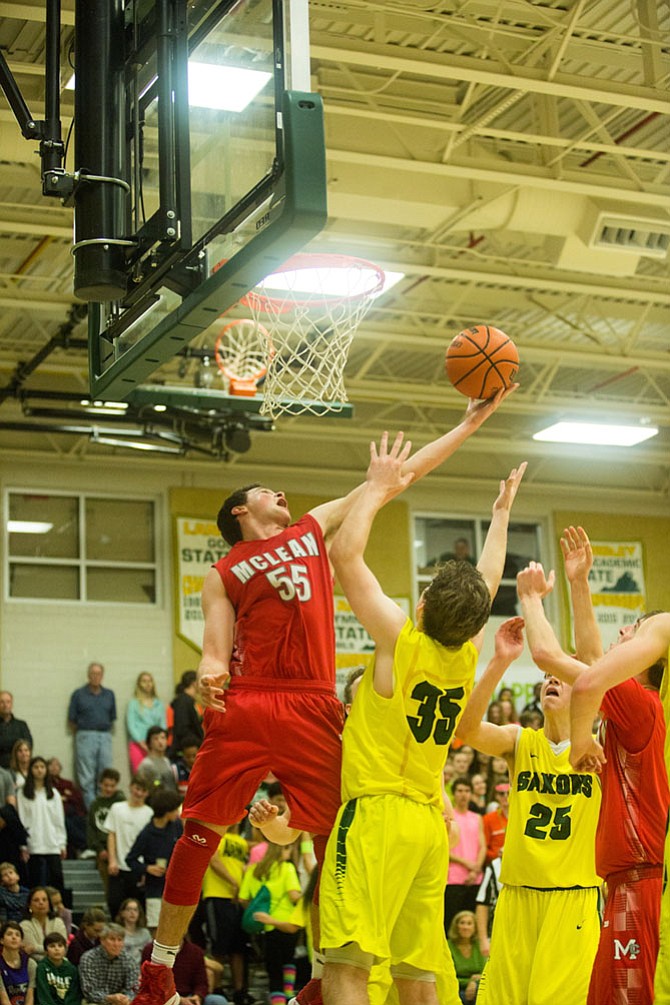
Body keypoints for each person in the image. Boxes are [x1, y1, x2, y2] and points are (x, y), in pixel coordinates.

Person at [134, 391, 516, 1005]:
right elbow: (214, 645)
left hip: (313, 699)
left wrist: (465, 425)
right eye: (264, 492)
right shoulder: (225, 570)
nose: (278, 493)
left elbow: (398, 476)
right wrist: (209, 671)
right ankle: (160, 966)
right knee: (200, 827)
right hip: (253, 697)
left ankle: (321, 980)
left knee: (331, 832)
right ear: (238, 510)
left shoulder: (313, 529)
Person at [315, 434, 524, 1005]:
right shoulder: (466, 656)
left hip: (377, 815)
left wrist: (378, 488)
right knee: (417, 974)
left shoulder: (399, 640)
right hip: (431, 825)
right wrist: (500, 519)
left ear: (425, 605)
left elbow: (345, 556)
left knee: (347, 964)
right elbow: (483, 585)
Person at [517, 529, 669, 1005]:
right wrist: (579, 585)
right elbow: (591, 660)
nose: (623, 633)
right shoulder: (631, 702)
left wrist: (529, 600)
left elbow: (548, 656)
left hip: (639, 880)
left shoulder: (641, 705)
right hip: (624, 881)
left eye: (633, 631)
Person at [455, 617, 602, 1005]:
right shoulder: (520, 741)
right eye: (547, 676)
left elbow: (597, 665)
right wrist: (500, 660)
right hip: (517, 897)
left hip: (572, 898)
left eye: (562, 676)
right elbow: (466, 730)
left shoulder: (599, 748)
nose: (551, 680)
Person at [238, 843, 301, 1005]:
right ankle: (288, 997)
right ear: (282, 849)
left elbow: (243, 898)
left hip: (264, 923)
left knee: (273, 969)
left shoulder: (253, 870)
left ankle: (277, 1001)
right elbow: (294, 895)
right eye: (289, 848)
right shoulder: (287, 868)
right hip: (287, 922)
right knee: (288, 961)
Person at [201, 824, 249, 1005]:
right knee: (218, 946)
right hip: (217, 896)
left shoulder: (242, 842)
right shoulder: (216, 836)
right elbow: (213, 861)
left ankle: (239, 991)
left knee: (239, 948)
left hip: (238, 900)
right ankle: (216, 989)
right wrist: (234, 882)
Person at [126, 791, 183, 933]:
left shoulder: (176, 826)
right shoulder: (147, 833)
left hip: (175, 886)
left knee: (177, 928)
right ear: (166, 811)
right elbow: (130, 859)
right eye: (175, 809)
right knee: (155, 928)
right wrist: (147, 868)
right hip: (155, 888)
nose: (177, 813)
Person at [67, 663, 116, 809]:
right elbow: (72, 719)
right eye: (93, 673)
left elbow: (112, 717)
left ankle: (105, 809)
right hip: (85, 735)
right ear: (88, 675)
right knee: (87, 777)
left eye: (99, 673)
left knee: (106, 774)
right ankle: (92, 811)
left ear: (102, 676)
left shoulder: (109, 694)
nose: (96, 676)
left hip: (105, 736)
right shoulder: (79, 694)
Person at [104, 776, 153, 919]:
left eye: (143, 791)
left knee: (138, 907)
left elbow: (149, 844)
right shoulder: (117, 808)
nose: (139, 793)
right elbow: (111, 834)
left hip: (137, 868)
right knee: (114, 904)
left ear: (147, 793)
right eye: (137, 789)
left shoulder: (149, 813)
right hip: (118, 867)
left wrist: (145, 869)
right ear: (131, 787)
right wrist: (112, 860)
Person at [16, 758, 66, 890]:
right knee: (35, 882)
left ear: (46, 770)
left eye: (42, 767)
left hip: (52, 842)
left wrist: (62, 843)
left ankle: (58, 910)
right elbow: (21, 819)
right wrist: (23, 845)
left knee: (56, 879)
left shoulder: (53, 793)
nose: (39, 770)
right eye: (36, 767)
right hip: (33, 843)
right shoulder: (23, 793)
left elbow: (59, 820)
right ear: (31, 770)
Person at [444, 778, 486, 932]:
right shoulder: (449, 817)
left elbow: (482, 846)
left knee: (473, 926)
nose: (464, 795)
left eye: (467, 791)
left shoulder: (477, 818)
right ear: (453, 794)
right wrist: (466, 863)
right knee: (450, 923)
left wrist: (475, 869)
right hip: (453, 878)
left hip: (475, 878)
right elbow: (444, 847)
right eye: (460, 791)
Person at [140, 940, 229, 1005]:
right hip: (161, 998)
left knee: (218, 1000)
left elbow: (202, 983)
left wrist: (198, 996)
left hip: (189, 995)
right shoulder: (150, 950)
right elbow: (150, 984)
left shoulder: (195, 951)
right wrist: (179, 1000)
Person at [78, 923, 140, 1005]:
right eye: (112, 939)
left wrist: (126, 998)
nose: (116, 944)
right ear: (102, 940)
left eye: (120, 940)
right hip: (95, 1002)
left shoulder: (129, 960)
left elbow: (133, 988)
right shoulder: (88, 958)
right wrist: (109, 998)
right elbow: (89, 991)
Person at [46, 758, 87, 860]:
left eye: (57, 765)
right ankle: (84, 845)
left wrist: (66, 797)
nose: (54, 767)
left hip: (73, 813)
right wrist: (64, 796)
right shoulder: (47, 784)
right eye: (51, 765)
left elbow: (77, 797)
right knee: (65, 823)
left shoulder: (67, 783)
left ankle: (83, 847)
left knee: (81, 820)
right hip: (58, 815)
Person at [127, 675, 167, 776]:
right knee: (141, 776)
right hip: (138, 744)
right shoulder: (133, 703)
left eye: (150, 681)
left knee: (158, 774)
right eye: (144, 681)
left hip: (155, 744)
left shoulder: (159, 703)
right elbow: (131, 725)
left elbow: (163, 724)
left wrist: (160, 740)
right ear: (139, 684)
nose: (147, 683)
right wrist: (141, 742)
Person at [446, 911, 485, 1004]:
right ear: (456, 926)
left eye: (469, 923)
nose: (465, 927)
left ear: (475, 928)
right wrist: (470, 982)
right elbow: (448, 977)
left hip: (477, 987)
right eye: (462, 923)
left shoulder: (479, 945)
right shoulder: (448, 946)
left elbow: (484, 972)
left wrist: (475, 983)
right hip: (455, 989)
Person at [20, 888, 67, 963]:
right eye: (36, 900)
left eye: (44, 900)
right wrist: (52, 957)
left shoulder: (58, 922)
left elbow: (63, 947)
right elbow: (31, 953)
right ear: (29, 906)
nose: (41, 903)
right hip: (36, 964)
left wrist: (35, 948)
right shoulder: (25, 925)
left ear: (49, 904)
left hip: (59, 963)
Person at [35, 931, 81, 1005]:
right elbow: (43, 994)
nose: (57, 949)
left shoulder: (72, 969)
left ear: (65, 949)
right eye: (52, 946)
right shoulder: (41, 967)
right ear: (46, 950)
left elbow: (74, 995)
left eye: (60, 946)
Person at [0, 919, 36, 1005]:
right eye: (9, 934)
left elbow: (30, 996)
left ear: (21, 941)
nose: (14, 937)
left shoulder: (30, 964)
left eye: (17, 935)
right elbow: (4, 999)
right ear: (1, 940)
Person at [170, 674, 203, 756]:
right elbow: (182, 728)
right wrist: (198, 742)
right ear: (194, 683)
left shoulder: (189, 701)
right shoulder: (183, 701)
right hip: (186, 749)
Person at [0, 697, 32, 774]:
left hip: (19, 768)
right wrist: (16, 742)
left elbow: (28, 744)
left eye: (8, 702)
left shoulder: (21, 725)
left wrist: (4, 742)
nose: (5, 705)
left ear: (11, 704)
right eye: (2, 702)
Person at [117, 900, 152, 965]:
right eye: (129, 909)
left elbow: (149, 953)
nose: (132, 912)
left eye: (135, 910)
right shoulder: (117, 933)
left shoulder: (145, 933)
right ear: (122, 913)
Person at [481, 783, 509, 865]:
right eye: (501, 793)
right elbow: (483, 847)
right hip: (495, 864)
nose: (505, 796)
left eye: (508, 793)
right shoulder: (488, 819)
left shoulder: (520, 817)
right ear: (496, 796)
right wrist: (496, 854)